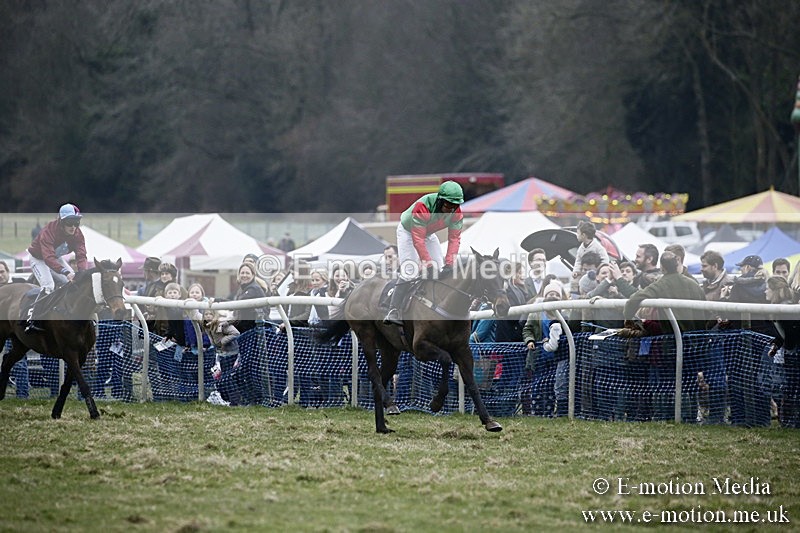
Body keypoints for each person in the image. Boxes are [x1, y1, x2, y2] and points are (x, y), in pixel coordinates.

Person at [384, 181, 465, 325]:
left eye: (455, 206)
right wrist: (427, 264)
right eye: (448, 205)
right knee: (410, 271)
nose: (450, 210)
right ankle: (393, 309)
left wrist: (450, 264)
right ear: (440, 200)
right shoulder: (423, 206)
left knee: (440, 269)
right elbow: (418, 240)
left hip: (428, 233)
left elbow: (454, 239)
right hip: (408, 232)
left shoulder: (456, 213)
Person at [23, 203, 88, 332]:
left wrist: (82, 273)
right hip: (39, 258)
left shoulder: (78, 234)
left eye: (77, 222)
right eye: (70, 223)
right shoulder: (49, 231)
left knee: (72, 283)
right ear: (61, 222)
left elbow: (81, 255)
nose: (73, 227)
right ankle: (32, 319)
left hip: (56, 257)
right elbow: (48, 258)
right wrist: (65, 271)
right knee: (49, 286)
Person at [623, 251, 706, 332]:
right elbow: (706, 310)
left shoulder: (661, 284)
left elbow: (635, 299)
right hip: (697, 337)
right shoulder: (694, 283)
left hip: (673, 337)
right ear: (677, 265)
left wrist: (628, 318)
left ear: (662, 267)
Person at [765, 276, 800, 427]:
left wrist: (788, 348)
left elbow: (792, 334)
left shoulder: (785, 308)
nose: (765, 291)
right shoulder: (780, 307)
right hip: (792, 352)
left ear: (774, 291)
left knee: (792, 389)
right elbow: (783, 333)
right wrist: (777, 345)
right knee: (790, 388)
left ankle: (792, 423)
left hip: (795, 354)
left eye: (767, 288)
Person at [570, 221, 609, 298]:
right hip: (584, 273)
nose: (577, 235)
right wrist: (576, 271)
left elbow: (605, 260)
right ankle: (574, 296)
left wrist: (598, 270)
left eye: (578, 233)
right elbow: (578, 260)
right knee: (574, 280)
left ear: (583, 235)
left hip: (595, 274)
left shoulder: (598, 247)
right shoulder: (581, 248)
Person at [233, 262, 268, 333]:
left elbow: (237, 304)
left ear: (253, 275)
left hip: (255, 331)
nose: (244, 275)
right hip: (245, 328)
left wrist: (216, 300)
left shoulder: (254, 288)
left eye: (247, 273)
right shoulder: (242, 289)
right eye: (242, 273)